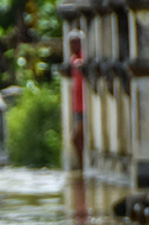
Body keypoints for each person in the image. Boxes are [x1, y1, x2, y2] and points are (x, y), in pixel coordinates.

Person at [69, 31, 85, 169]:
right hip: (77, 106)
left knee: (76, 137)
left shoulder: (82, 58)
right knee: (77, 138)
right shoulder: (73, 59)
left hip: (84, 106)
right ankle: (81, 165)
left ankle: (82, 166)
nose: (72, 46)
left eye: (75, 42)